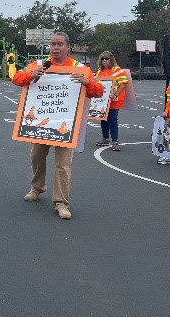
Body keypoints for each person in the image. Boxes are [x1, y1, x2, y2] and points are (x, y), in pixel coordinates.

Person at [13, 32, 104, 220]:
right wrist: (31, 75)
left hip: (66, 126)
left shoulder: (80, 68)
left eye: (60, 44)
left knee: (63, 165)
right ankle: (37, 187)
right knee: (36, 156)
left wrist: (87, 82)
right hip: (41, 124)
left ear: (68, 47)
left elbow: (99, 91)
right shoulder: (38, 66)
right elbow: (16, 79)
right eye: (53, 44)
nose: (55, 48)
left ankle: (61, 202)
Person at [95, 51, 129, 151]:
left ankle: (115, 141)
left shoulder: (116, 70)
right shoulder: (99, 71)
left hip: (114, 100)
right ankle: (105, 139)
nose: (104, 61)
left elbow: (123, 83)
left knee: (112, 120)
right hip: (103, 101)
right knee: (103, 119)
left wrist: (115, 94)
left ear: (111, 59)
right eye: (102, 59)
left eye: (106, 58)